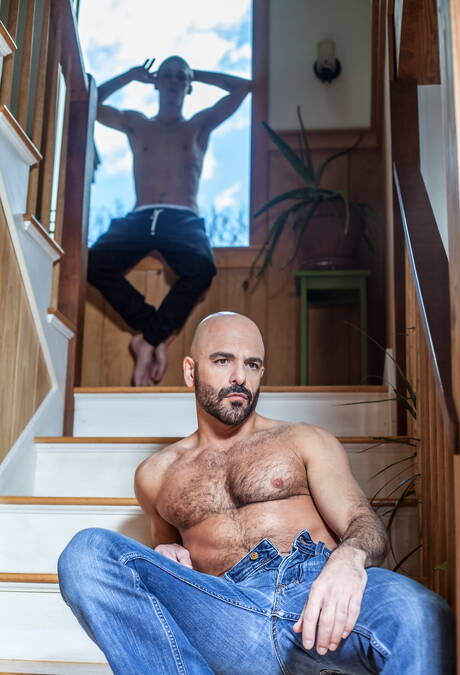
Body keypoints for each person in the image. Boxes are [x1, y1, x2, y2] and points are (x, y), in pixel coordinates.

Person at [58, 312, 455, 674]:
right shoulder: (156, 474)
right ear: (190, 371)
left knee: (422, 614)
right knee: (86, 552)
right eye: (222, 360)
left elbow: (363, 523)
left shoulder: (303, 439)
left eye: (252, 364)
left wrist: (348, 560)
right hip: (228, 617)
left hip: (318, 597)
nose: (239, 377)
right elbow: (164, 569)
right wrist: (165, 551)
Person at [87, 57, 251, 385]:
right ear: (156, 82)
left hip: (182, 218)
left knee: (201, 268)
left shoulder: (198, 125)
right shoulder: (136, 123)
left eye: (180, 77)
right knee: (92, 263)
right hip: (139, 216)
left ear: (188, 86)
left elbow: (243, 87)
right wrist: (129, 75)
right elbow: (90, 103)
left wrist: (196, 73)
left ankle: (147, 340)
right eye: (167, 75)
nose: (174, 80)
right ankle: (154, 333)